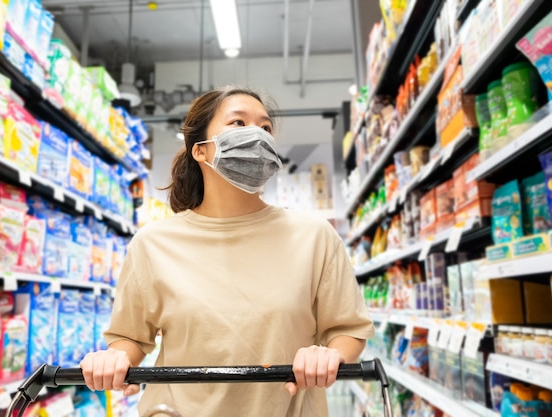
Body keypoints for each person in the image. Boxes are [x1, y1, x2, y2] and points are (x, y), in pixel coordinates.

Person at [80, 85, 375, 417]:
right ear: (200, 150)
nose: (257, 136)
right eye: (238, 123)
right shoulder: (153, 243)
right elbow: (130, 338)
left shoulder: (314, 237)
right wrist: (113, 359)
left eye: (265, 128)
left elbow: (348, 329)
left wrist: (330, 355)